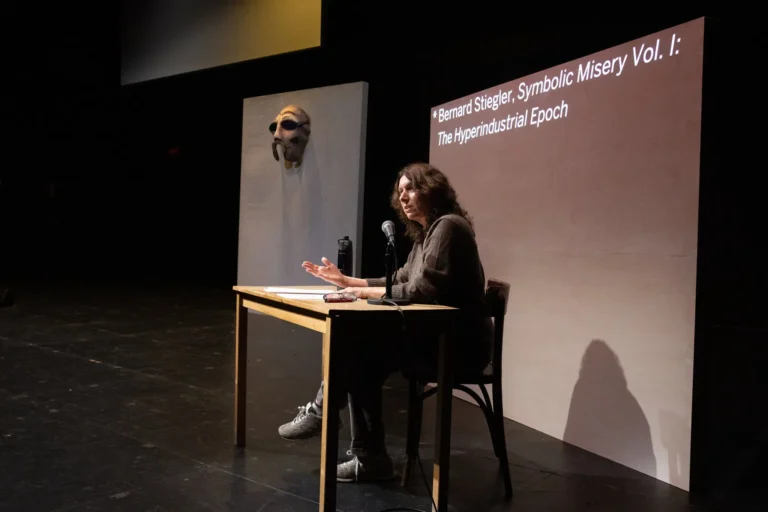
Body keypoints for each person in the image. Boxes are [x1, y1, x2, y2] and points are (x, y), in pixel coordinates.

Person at [278, 162, 493, 482]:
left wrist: (356, 293)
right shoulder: (426, 236)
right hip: (438, 339)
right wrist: (346, 281)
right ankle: (368, 457)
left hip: (459, 347)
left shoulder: (449, 227)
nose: (403, 197)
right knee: (357, 352)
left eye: (411, 188)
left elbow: (422, 290)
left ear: (431, 189)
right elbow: (399, 279)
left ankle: (326, 415)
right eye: (400, 190)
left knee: (354, 344)